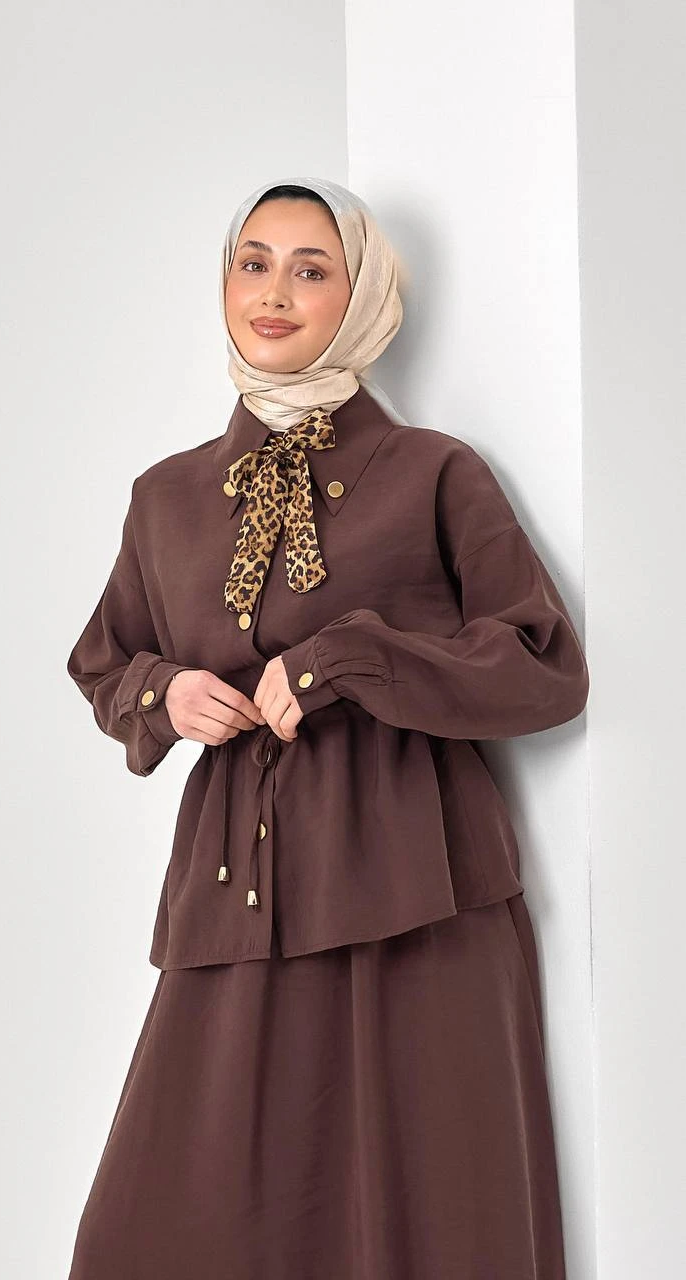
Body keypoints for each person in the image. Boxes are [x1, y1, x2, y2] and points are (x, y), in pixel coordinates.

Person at [64, 176, 589, 1279]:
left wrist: (351, 659)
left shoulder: (433, 472)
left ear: (362, 298)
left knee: (425, 1212)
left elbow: (543, 667)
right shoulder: (167, 497)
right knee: (161, 1225)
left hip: (415, 889)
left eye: (312, 269)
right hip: (234, 895)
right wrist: (166, 692)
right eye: (253, 263)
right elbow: (104, 661)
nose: (274, 293)